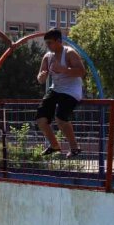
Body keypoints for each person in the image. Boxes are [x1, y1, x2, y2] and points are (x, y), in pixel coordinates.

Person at [36, 29, 86, 158]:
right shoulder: (47, 57)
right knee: (41, 119)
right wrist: (42, 76)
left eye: (50, 42)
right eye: (46, 43)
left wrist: (64, 69)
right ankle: (54, 145)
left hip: (71, 90)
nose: (48, 45)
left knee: (60, 118)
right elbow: (40, 79)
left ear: (59, 41)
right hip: (56, 88)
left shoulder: (69, 53)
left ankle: (74, 147)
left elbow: (81, 72)